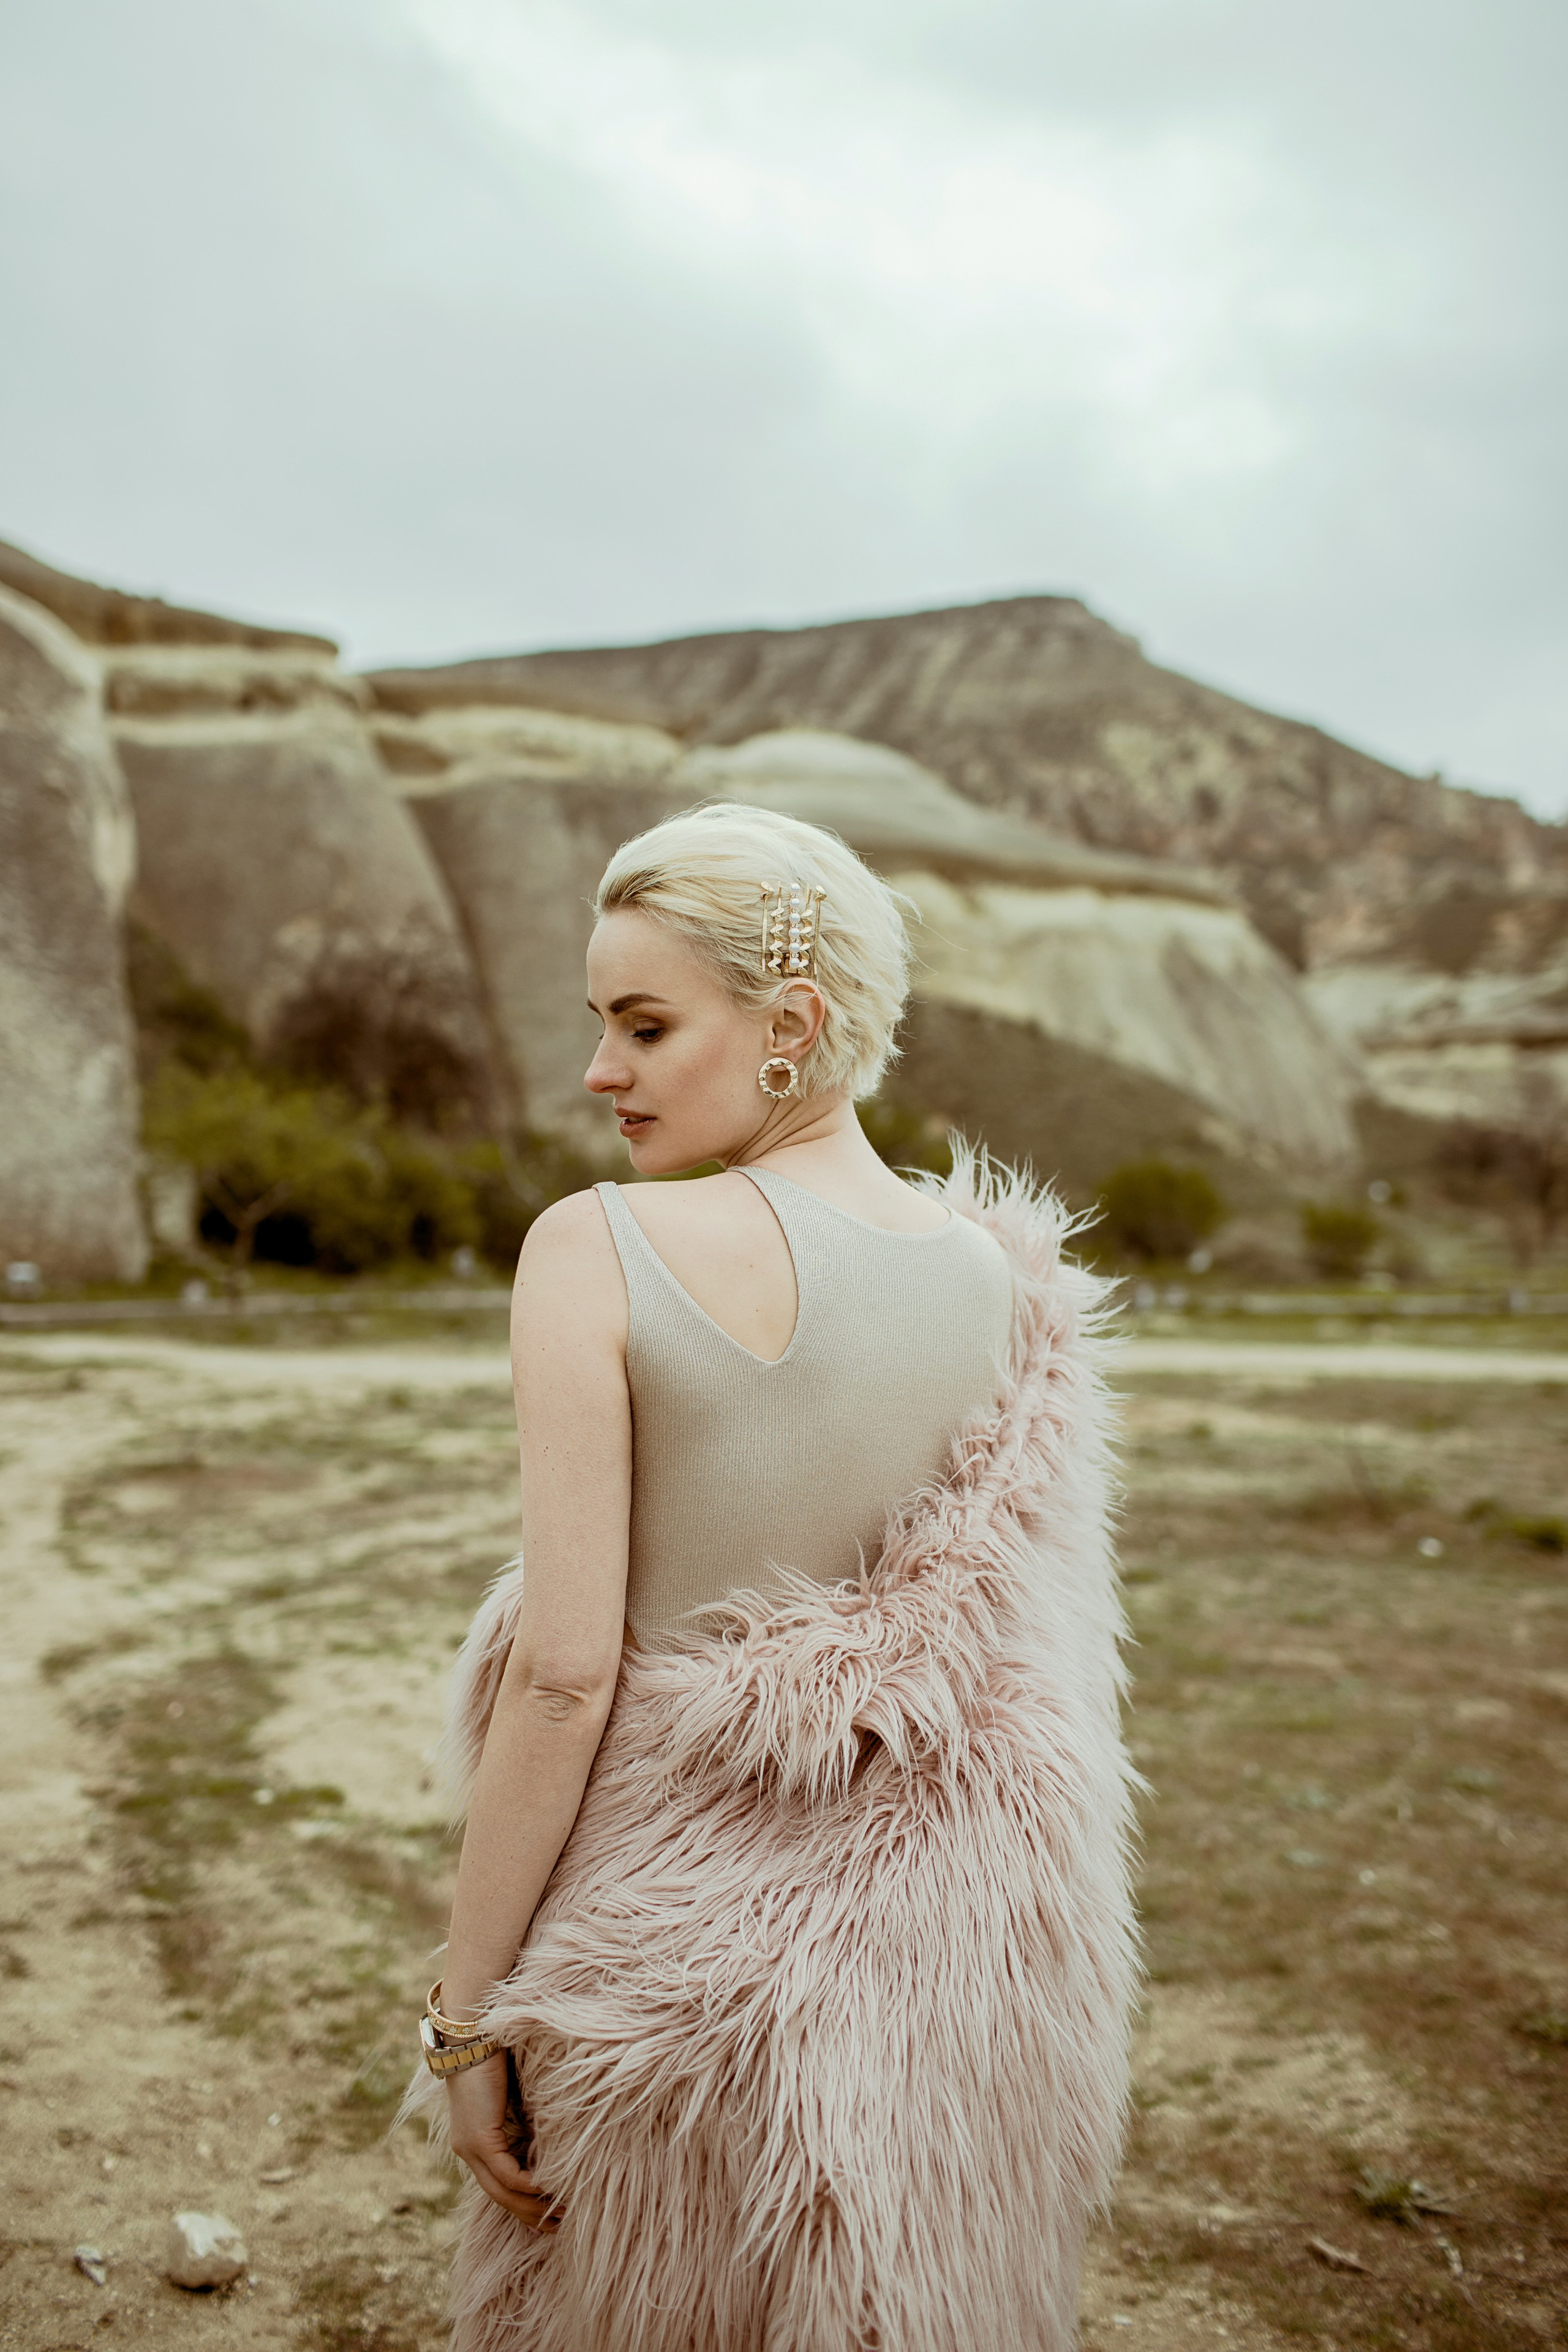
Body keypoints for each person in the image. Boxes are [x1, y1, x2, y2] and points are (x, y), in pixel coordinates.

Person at [403, 803, 1137, 2351]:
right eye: (600, 1024)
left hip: (653, 1990)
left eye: (644, 1025)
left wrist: (465, 2019)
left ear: (791, 1025)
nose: (600, 1072)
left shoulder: (593, 1250)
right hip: (938, 1986)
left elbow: (562, 1671)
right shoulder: (996, 1286)